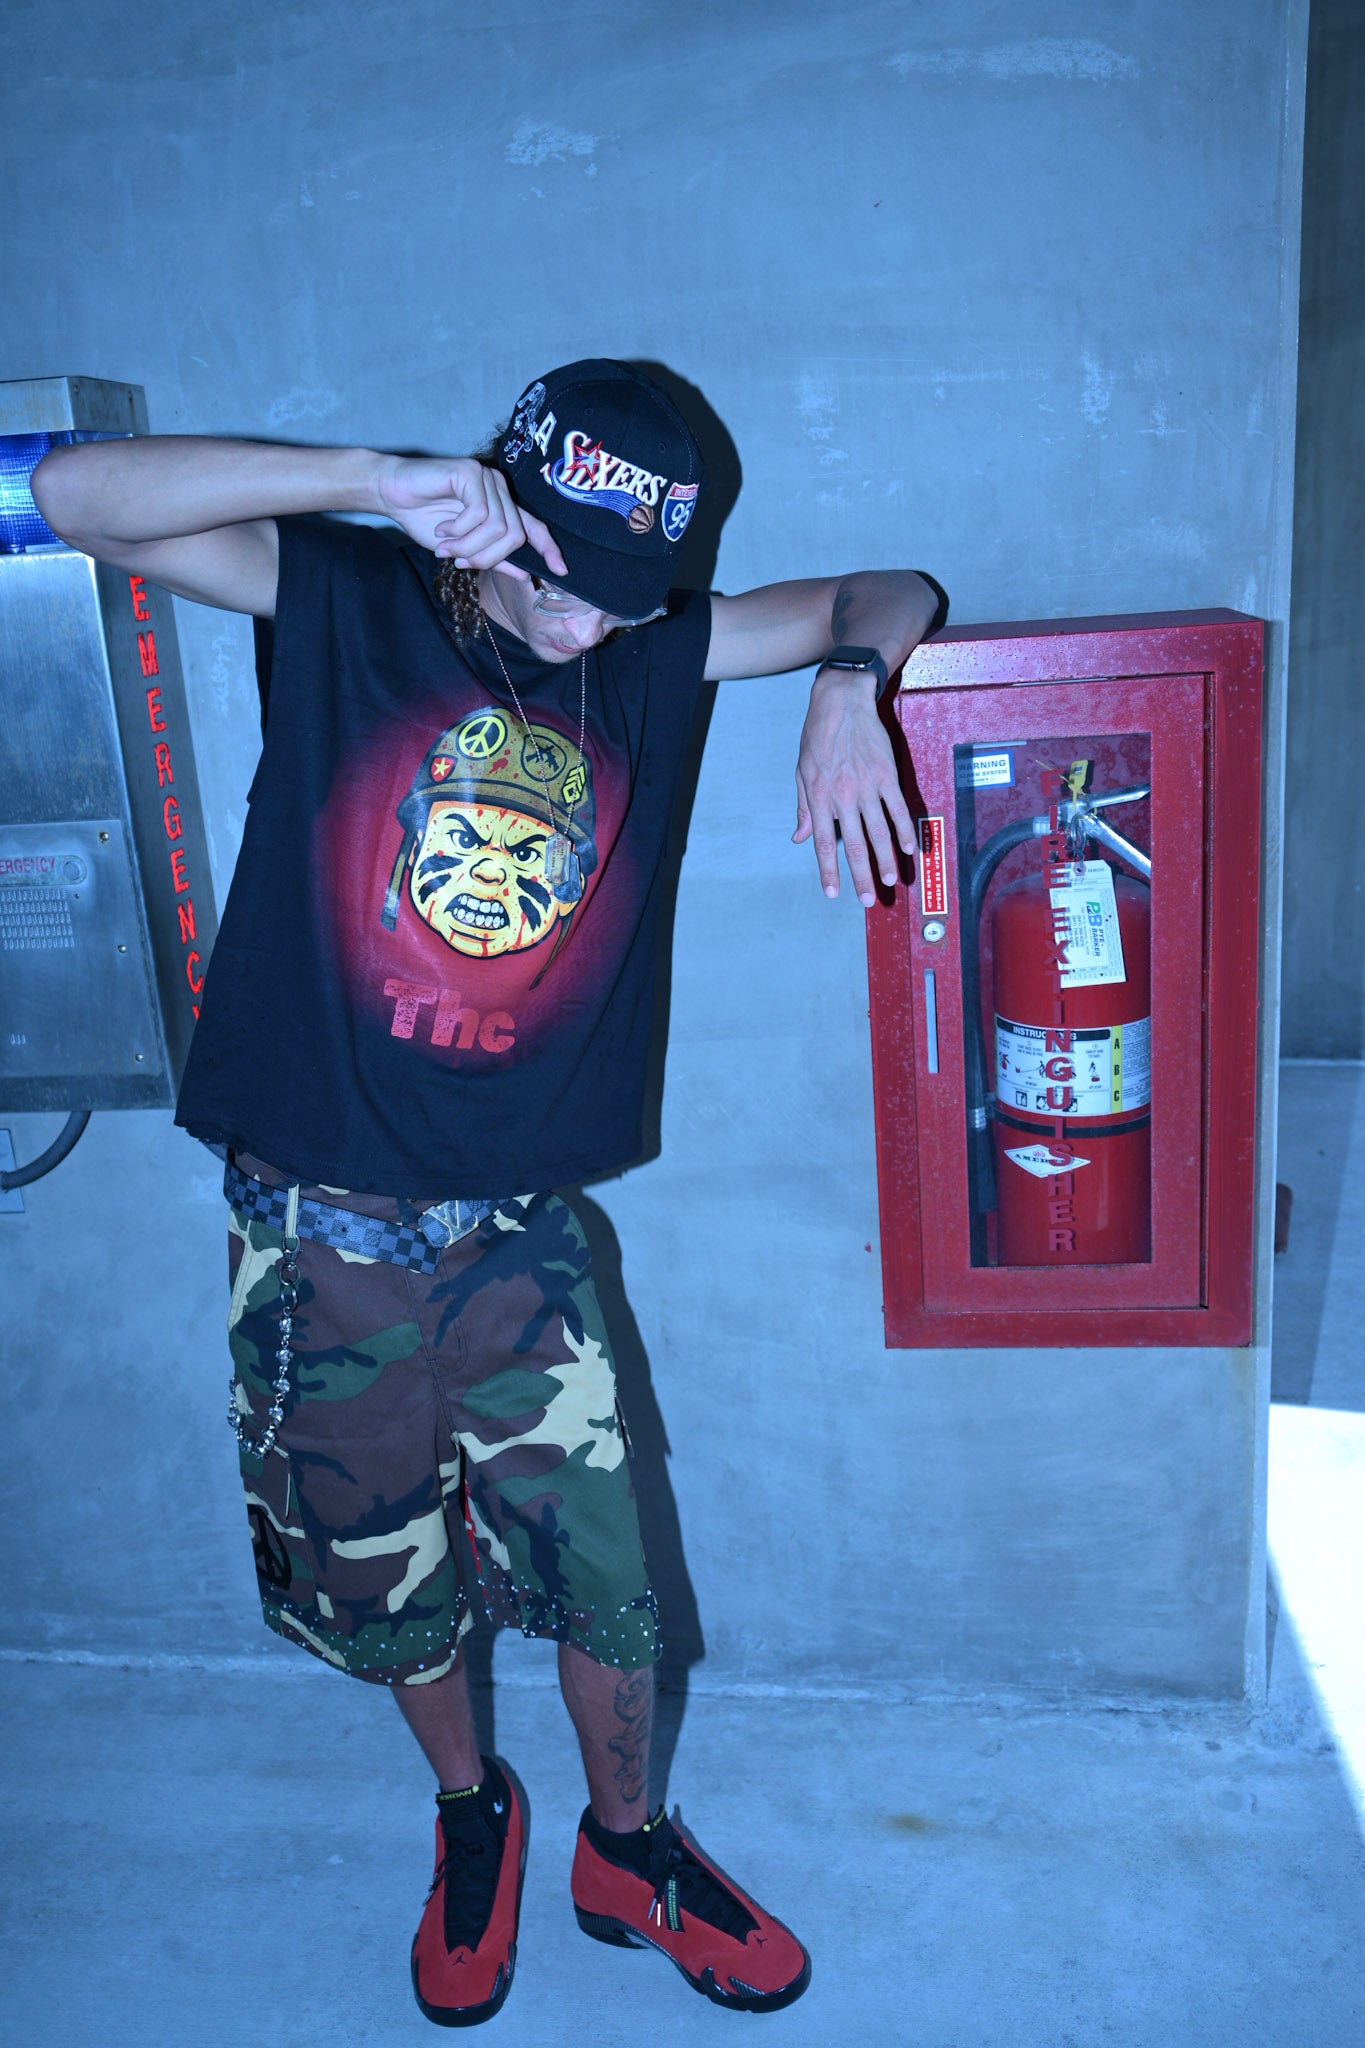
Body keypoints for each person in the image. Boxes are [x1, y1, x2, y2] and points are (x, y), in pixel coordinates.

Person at [32, 360, 939, 2027]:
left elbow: (887, 589)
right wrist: (367, 476)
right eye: (564, 584)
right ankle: (472, 1813)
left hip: (519, 1236)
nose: (591, 628)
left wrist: (843, 685)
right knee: (391, 1591)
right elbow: (66, 495)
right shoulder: (348, 592)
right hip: (313, 1234)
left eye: (629, 599)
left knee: (612, 1590)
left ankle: (627, 1848)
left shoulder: (647, 644)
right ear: (499, 515)